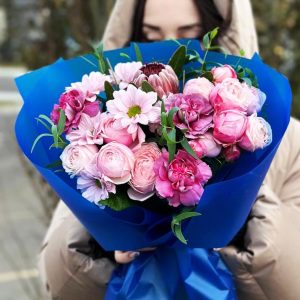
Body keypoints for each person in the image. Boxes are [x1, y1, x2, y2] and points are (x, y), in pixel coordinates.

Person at [38, 0, 300, 299]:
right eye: (150, 37)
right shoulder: (99, 145)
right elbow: (56, 282)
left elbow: (292, 282)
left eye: (193, 34)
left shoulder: (284, 139)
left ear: (224, 37)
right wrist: (105, 240)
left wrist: (243, 186)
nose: (170, 51)